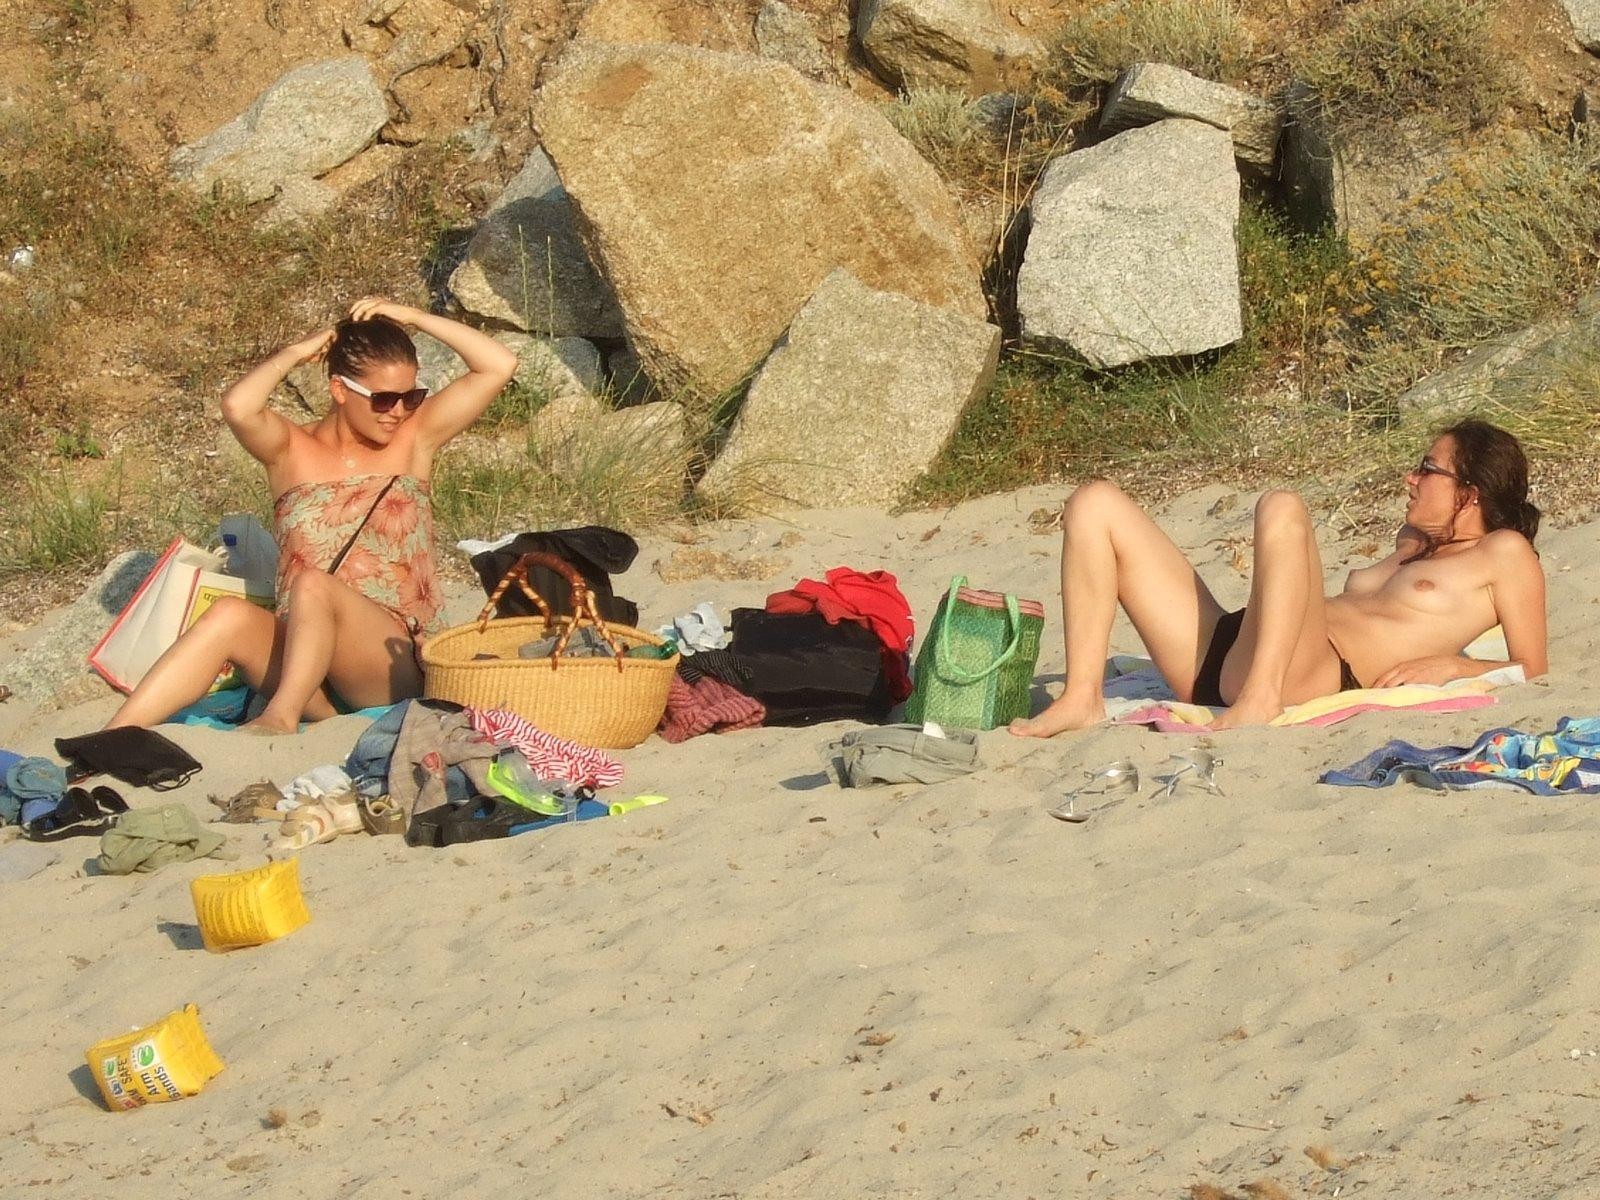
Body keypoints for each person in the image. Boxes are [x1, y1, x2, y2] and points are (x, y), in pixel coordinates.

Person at [107, 297, 518, 732]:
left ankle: (280, 716)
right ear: (340, 389)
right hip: (305, 666)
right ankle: (110, 737)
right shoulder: (290, 450)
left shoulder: (415, 438)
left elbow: (498, 365)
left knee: (313, 584)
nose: (398, 411)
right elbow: (238, 406)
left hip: (389, 662)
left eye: (411, 397)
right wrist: (296, 353)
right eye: (383, 399)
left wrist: (414, 317)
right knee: (229, 615)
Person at [1010, 419, 1548, 735]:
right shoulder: (1414, 542)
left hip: (1309, 673)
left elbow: (1534, 667)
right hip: (1235, 651)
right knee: (1094, 502)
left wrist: (1455, 665)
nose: (1411, 478)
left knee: (1283, 505)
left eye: (1428, 470)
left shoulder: (1505, 553)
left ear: (1469, 494)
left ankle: (1260, 699)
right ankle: (1082, 696)